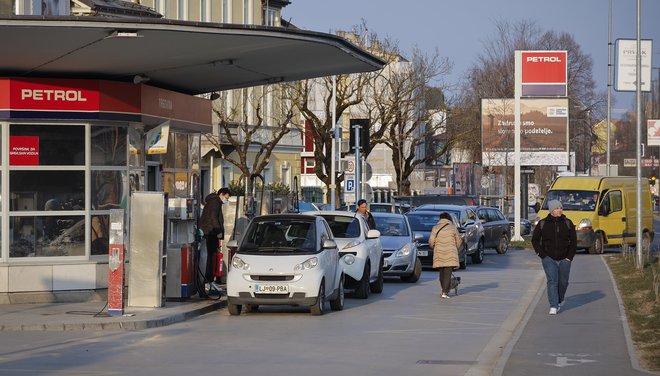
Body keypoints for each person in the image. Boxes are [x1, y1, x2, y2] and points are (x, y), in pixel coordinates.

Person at [531, 199, 577, 315]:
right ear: (551, 210)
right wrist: (542, 255)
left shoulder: (568, 223)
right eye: (557, 208)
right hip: (548, 258)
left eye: (561, 208)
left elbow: (574, 241)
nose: (559, 210)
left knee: (563, 282)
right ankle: (553, 305)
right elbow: (535, 240)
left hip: (565, 258)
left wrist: (569, 257)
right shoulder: (543, 223)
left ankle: (559, 300)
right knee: (552, 281)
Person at [199, 187, 231, 285]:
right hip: (211, 232)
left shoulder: (212, 201)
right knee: (211, 257)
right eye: (227, 197)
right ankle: (208, 279)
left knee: (211, 256)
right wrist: (218, 231)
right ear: (222, 194)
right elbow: (213, 217)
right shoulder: (216, 202)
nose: (227, 199)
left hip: (208, 232)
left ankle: (209, 279)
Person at [428, 212, 462, 299]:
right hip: (450, 252)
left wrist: (434, 247)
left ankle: (443, 289)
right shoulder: (453, 228)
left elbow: (431, 241)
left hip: (439, 252)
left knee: (442, 271)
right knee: (448, 271)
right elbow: (459, 241)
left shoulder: (435, 228)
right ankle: (445, 292)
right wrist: (455, 248)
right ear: (449, 218)